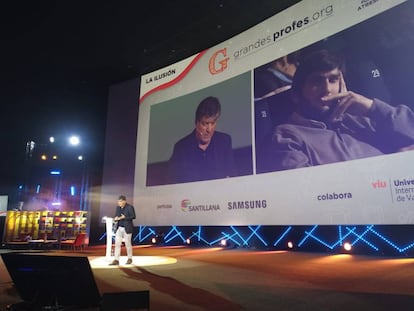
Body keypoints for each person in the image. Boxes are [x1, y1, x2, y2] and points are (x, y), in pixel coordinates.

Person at [262, 49, 414, 172]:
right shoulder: (288, 137)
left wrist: (371, 107)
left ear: (342, 85)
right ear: (296, 95)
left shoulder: (363, 119)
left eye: (333, 80)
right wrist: (392, 168)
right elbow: (307, 195)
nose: (327, 89)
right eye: (316, 81)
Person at [168, 96, 237, 184]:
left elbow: (233, 177)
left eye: (213, 123)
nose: (209, 129)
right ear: (196, 123)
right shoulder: (181, 148)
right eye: (205, 123)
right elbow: (172, 184)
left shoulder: (225, 141)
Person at [109, 195, 136, 265]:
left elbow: (133, 216)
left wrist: (124, 217)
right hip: (119, 228)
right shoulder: (118, 208)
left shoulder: (129, 207)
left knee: (128, 244)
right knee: (117, 244)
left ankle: (130, 258)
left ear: (124, 201)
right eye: (118, 201)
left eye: (121, 201)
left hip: (127, 228)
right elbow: (117, 216)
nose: (119, 203)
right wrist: (116, 218)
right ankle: (116, 259)